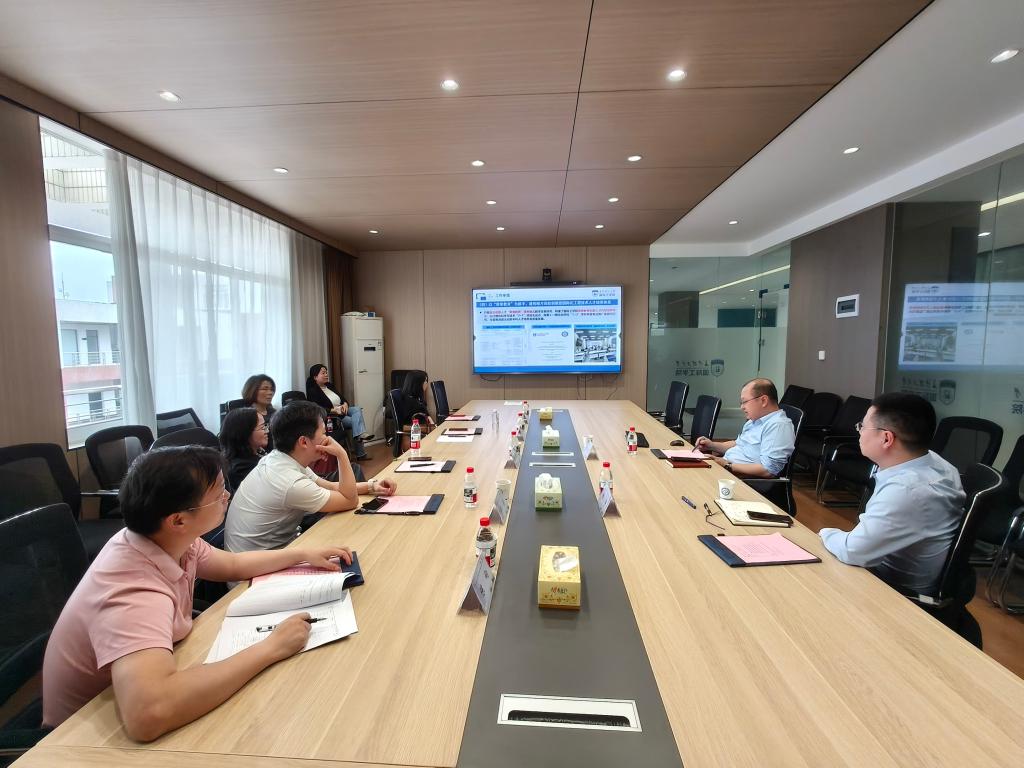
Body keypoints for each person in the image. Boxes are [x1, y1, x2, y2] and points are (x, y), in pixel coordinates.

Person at [42, 446, 354, 740]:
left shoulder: (171, 540)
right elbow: (149, 713)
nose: (227, 496)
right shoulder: (131, 588)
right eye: (219, 494)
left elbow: (232, 564)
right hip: (79, 736)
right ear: (178, 519)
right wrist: (272, 647)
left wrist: (300, 554)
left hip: (135, 684)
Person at [818, 392, 965, 594]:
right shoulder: (940, 465)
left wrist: (824, 532)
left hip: (894, 592)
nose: (859, 432)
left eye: (862, 426)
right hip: (885, 566)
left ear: (886, 438)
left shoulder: (906, 491)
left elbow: (852, 551)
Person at [225, 400, 397, 554]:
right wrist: (342, 455)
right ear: (303, 442)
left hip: (272, 553)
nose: (327, 438)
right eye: (323, 433)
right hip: (254, 573)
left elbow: (331, 486)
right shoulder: (290, 482)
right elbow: (350, 500)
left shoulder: (281, 458)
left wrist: (372, 486)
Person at [695, 378, 795, 478]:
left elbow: (768, 470)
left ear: (763, 400)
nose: (742, 407)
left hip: (743, 480)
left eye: (745, 401)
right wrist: (711, 445)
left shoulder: (778, 426)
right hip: (728, 470)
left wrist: (727, 465)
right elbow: (738, 444)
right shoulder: (754, 420)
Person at [305, 363, 369, 460]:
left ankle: (359, 437)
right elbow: (317, 408)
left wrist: (345, 404)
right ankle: (361, 450)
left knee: (357, 409)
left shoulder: (329, 386)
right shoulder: (313, 391)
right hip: (334, 417)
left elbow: (342, 398)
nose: (326, 375)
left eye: (326, 372)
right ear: (315, 377)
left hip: (343, 410)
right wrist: (333, 410)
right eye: (323, 373)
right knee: (356, 422)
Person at [219, 407, 268, 491]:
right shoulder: (243, 468)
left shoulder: (256, 452)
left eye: (265, 426)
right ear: (245, 433)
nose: (267, 431)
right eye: (262, 427)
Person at [241, 374, 277, 450]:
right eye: (265, 389)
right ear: (252, 390)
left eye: (271, 389)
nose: (270, 392)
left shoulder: (275, 413)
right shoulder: (245, 416)